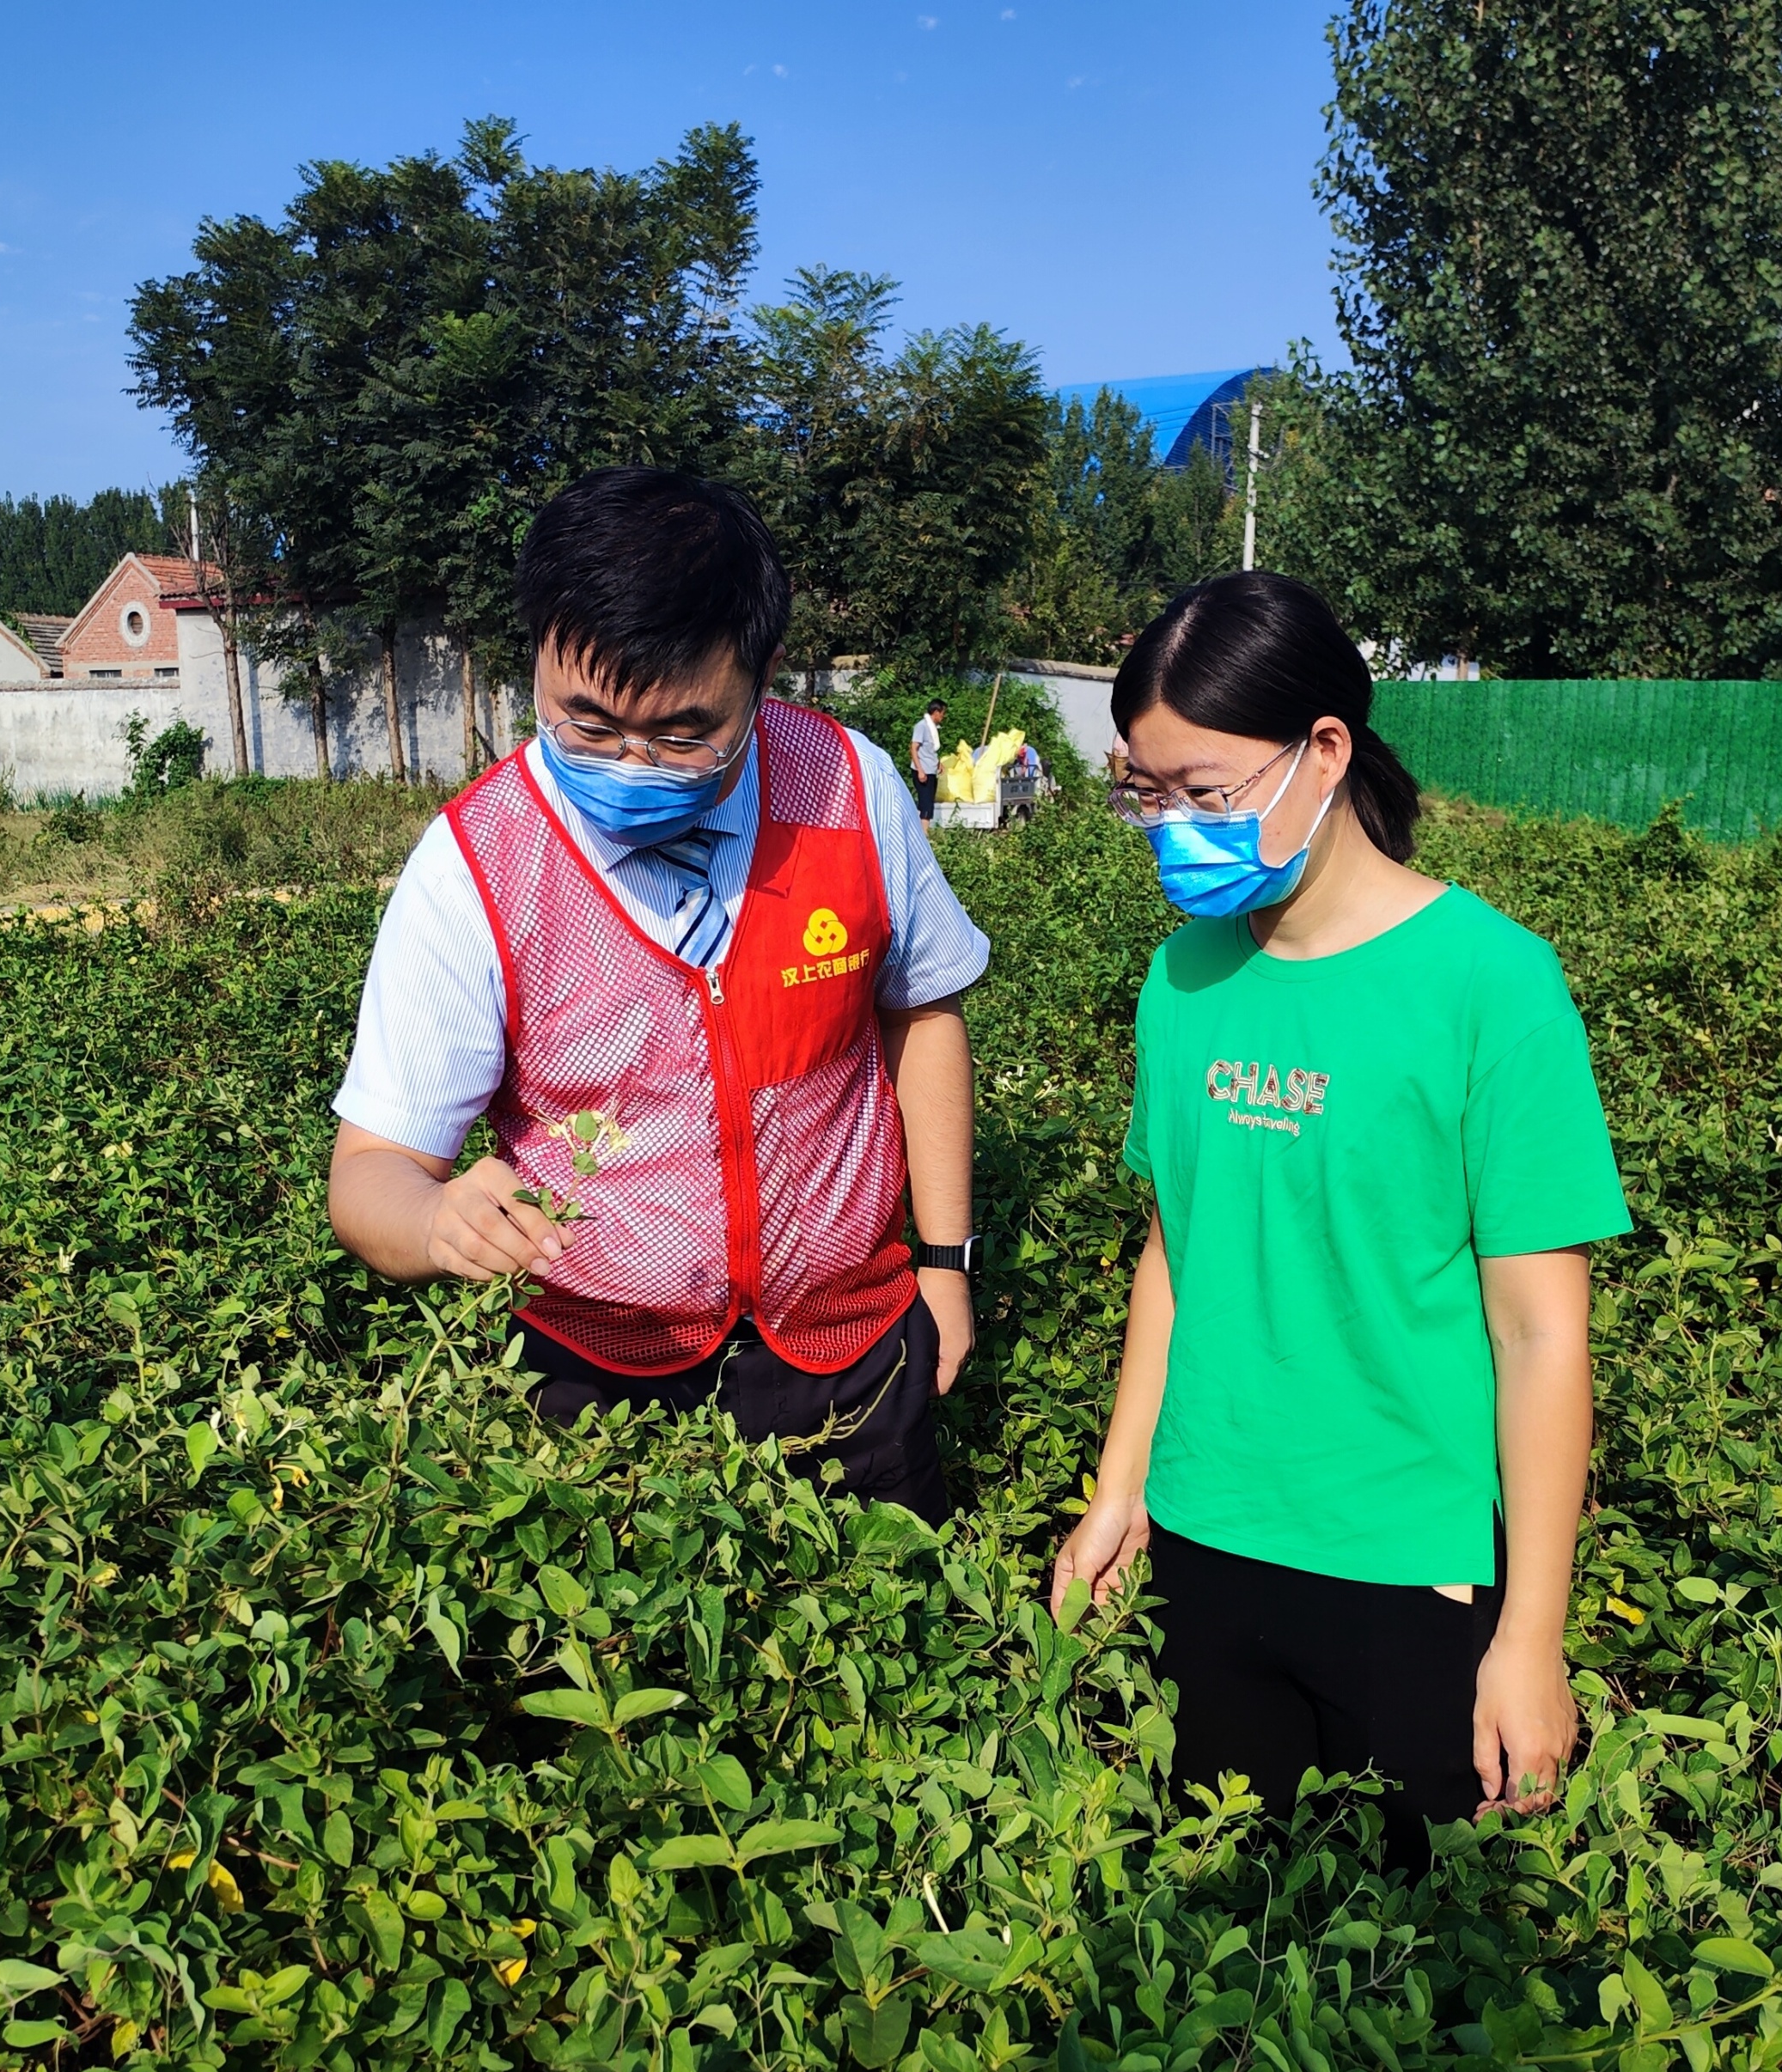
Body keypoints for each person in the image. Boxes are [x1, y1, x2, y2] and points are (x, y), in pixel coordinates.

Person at [1046, 570, 1629, 1868]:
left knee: (1420, 1990)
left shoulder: (1492, 983)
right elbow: (1177, 1249)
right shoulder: (1185, 971)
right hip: (1207, 1540)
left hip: (1408, 1565)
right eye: (1149, 793)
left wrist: (1530, 1637)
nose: (1172, 827)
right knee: (1227, 1952)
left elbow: (1542, 1336)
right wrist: (1120, 1486)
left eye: (1205, 792)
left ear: (1325, 750)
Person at [326, 468, 991, 1519]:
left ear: (762, 674)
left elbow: (921, 1013)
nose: (630, 763)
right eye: (585, 723)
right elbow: (369, 1172)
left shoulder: (850, 788)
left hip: (850, 1356)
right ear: (536, 655)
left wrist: (946, 1264)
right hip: (591, 1384)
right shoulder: (474, 863)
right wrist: (433, 1217)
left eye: (684, 733)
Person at [910, 700, 945, 821]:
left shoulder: (933, 728)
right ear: (936, 712)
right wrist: (920, 770)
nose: (943, 716)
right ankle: (924, 835)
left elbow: (931, 749)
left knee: (929, 803)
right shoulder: (922, 726)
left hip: (931, 770)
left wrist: (938, 762)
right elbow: (914, 748)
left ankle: (923, 833)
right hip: (923, 771)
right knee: (926, 805)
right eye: (942, 713)